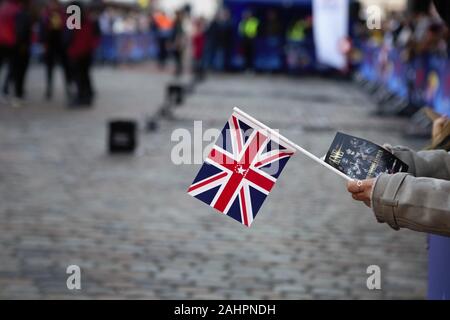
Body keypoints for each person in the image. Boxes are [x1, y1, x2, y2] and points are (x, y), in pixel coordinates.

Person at [66, 2, 100, 107]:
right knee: (83, 76)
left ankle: (83, 97)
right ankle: (85, 96)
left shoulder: (83, 22)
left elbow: (77, 38)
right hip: (82, 53)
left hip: (81, 53)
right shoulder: (84, 21)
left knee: (81, 77)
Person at [39, 0, 71, 100]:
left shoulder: (64, 14)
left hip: (62, 46)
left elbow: (68, 29)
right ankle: (49, 89)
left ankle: (68, 88)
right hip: (50, 45)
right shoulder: (46, 14)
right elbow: (42, 30)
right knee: (49, 68)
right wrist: (43, 43)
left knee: (66, 68)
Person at [0, 0, 21, 104]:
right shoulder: (16, 9)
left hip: (1, 41)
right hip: (11, 41)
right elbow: (18, 28)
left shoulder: (3, 7)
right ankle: (6, 89)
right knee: (12, 68)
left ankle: (4, 90)